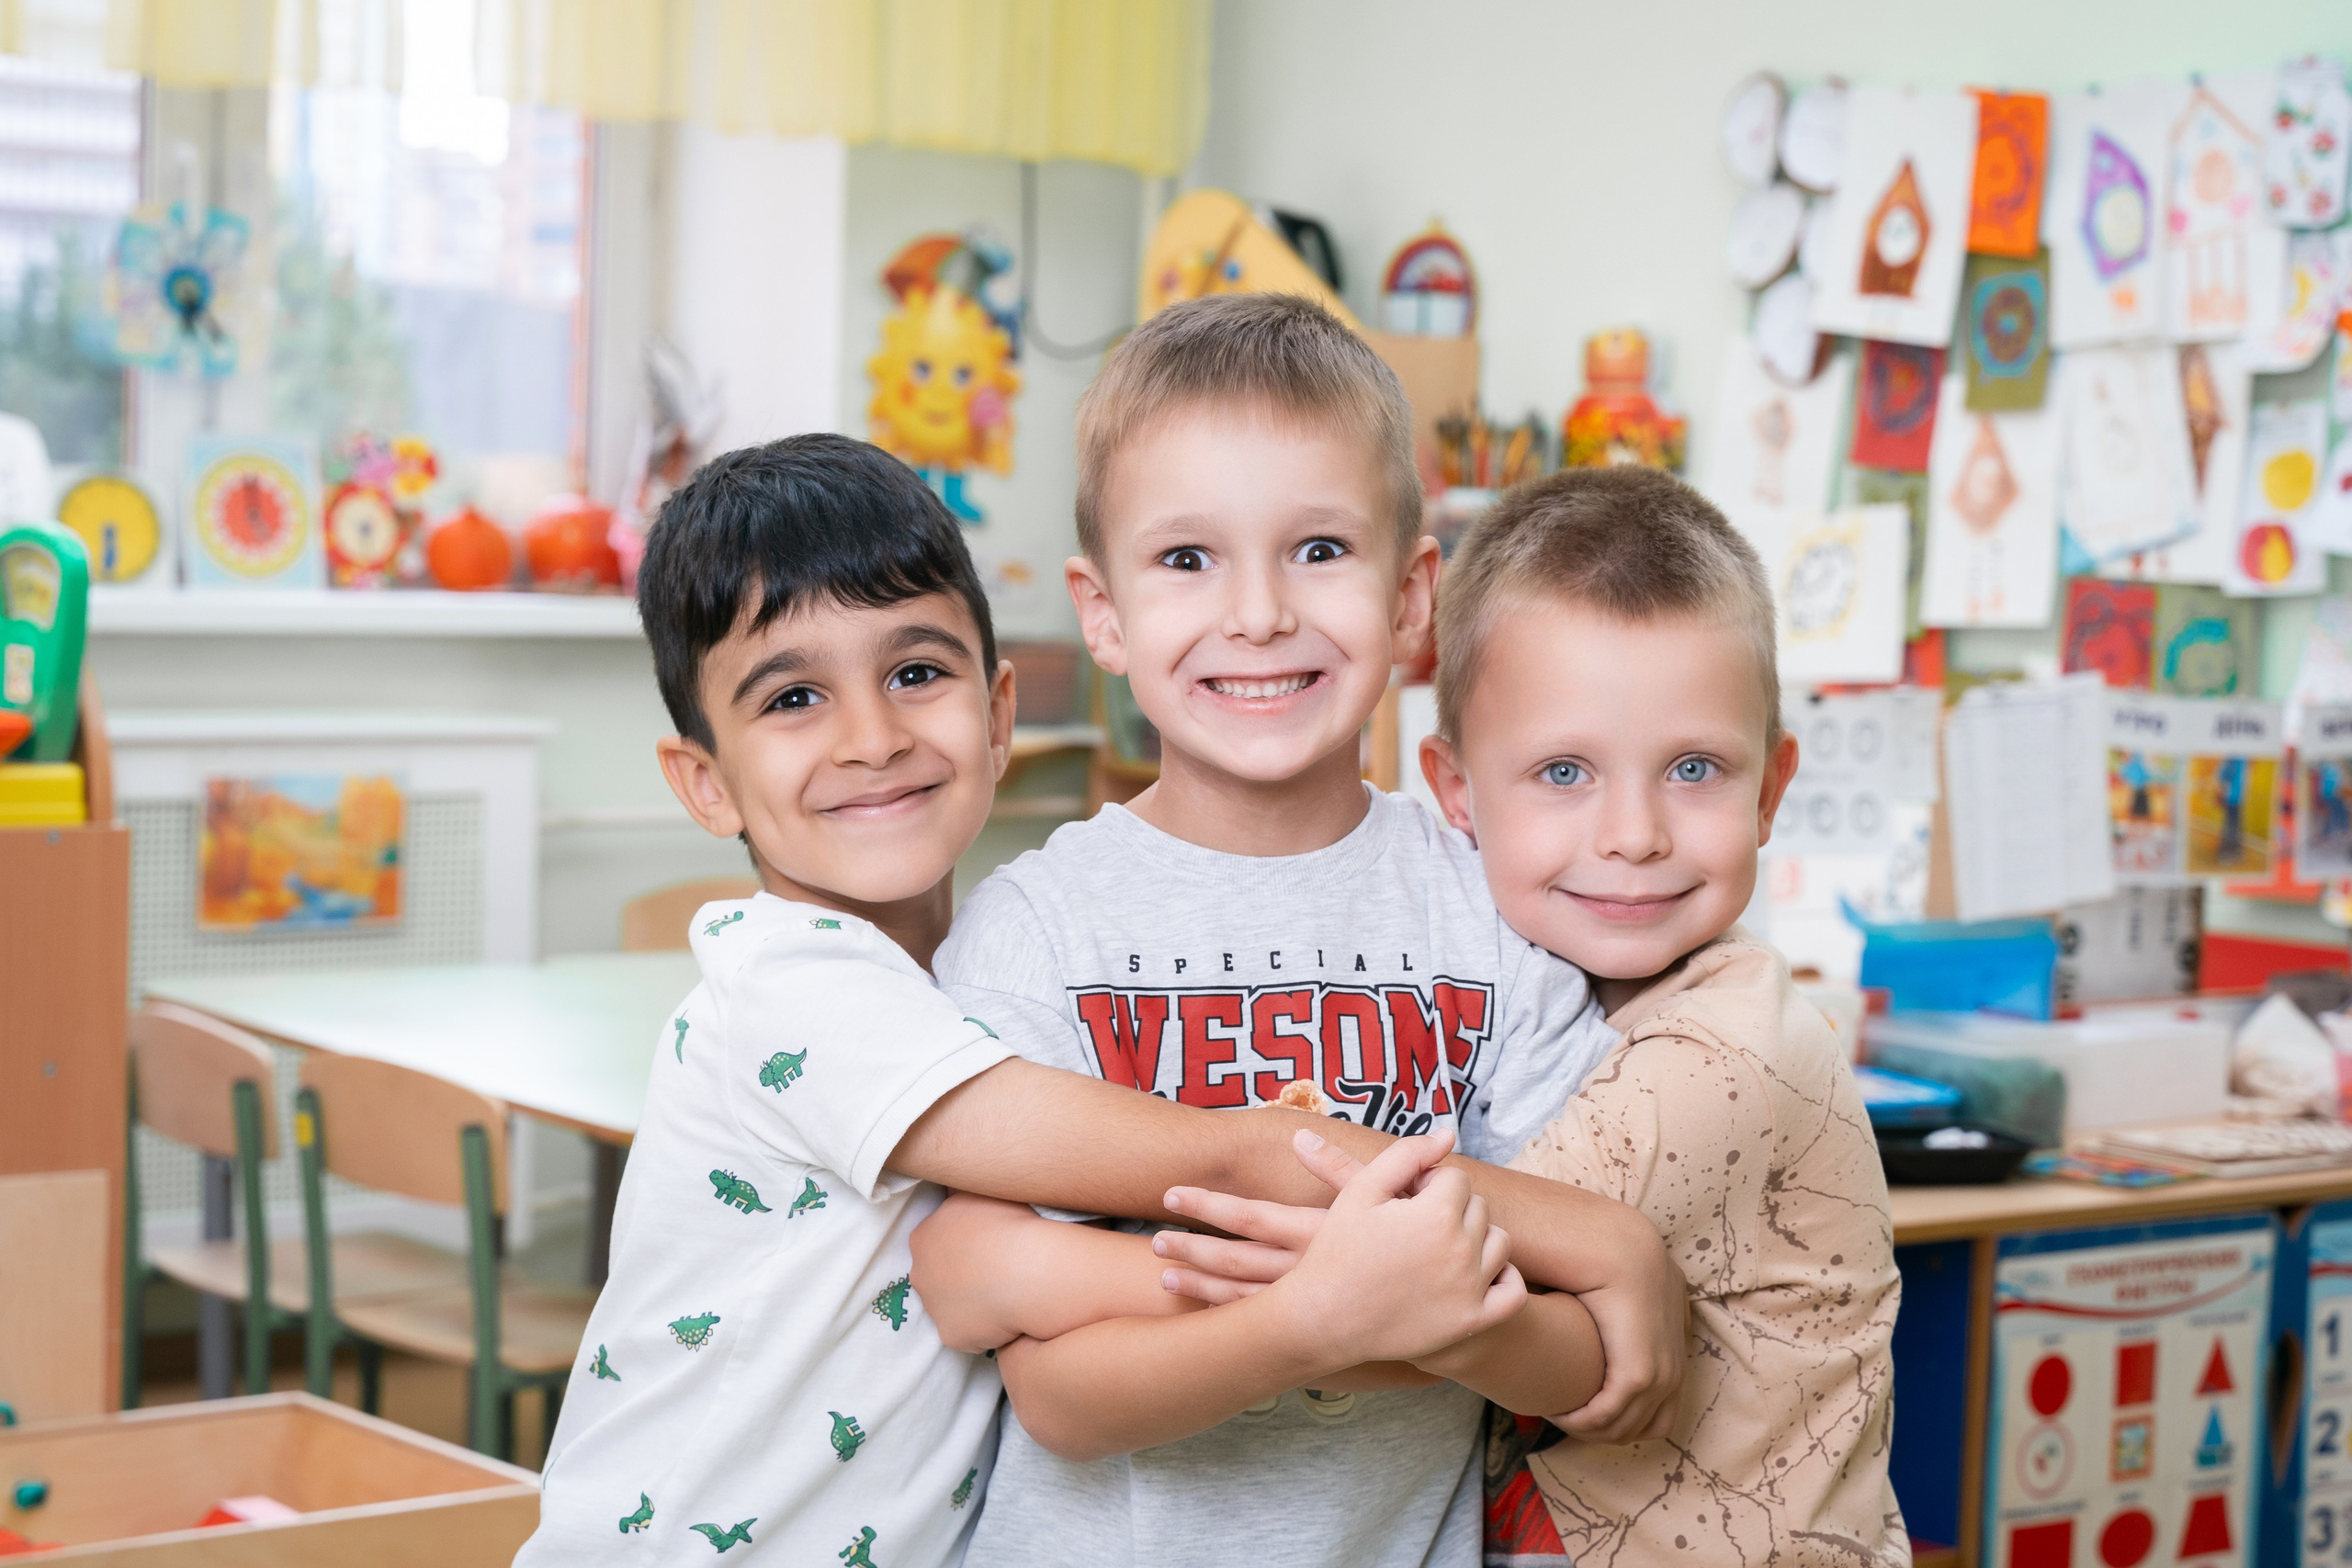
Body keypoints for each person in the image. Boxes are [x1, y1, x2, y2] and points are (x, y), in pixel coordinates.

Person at [517, 434, 1681, 1566]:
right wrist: (1597, 1241)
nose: (872, 737)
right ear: (704, 782)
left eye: (915, 673)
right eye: (791, 700)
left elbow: (1006, 1280)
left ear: (998, 711)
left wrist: (1051, 1282)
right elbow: (1231, 1160)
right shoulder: (794, 991)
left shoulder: (957, 977)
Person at [911, 294, 1685, 1568]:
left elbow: (1594, 1345)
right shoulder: (1037, 930)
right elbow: (1056, 1393)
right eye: (1187, 559)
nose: (1259, 612)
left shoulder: (1490, 909)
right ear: (1101, 613)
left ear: (1411, 593)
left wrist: (1537, 1275)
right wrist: (1324, 1315)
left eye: (1320, 548)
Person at [1166, 468, 1908, 1566]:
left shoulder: (1722, 1051)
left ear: (1770, 788)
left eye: (1694, 770)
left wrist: (1029, 1285)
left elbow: (1405, 1301)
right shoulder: (1528, 994)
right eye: (1563, 771)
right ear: (1455, 793)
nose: (1633, 835)